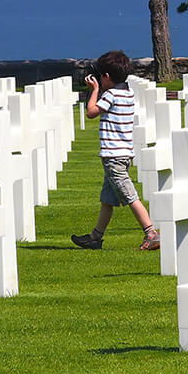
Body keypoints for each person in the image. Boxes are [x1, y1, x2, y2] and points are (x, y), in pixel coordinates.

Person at [71, 50, 160, 251]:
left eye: (100, 76)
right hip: (124, 153)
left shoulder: (110, 94)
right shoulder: (127, 93)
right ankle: (95, 237)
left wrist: (94, 90)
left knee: (130, 196)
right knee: (107, 200)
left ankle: (151, 232)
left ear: (107, 77)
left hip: (113, 156)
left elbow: (91, 112)